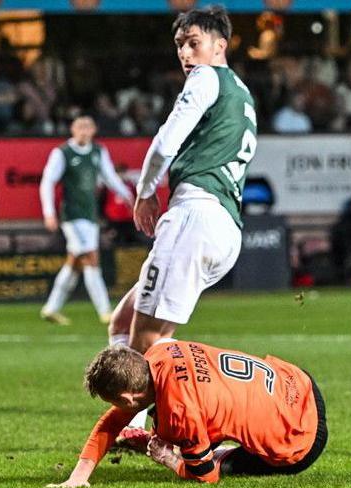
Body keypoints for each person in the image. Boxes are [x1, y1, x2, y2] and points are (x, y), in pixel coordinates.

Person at [105, 6, 257, 431]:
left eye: (194, 43)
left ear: (219, 46)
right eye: (180, 46)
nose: (186, 54)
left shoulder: (207, 78)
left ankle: (167, 432)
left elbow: (165, 139)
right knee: (125, 322)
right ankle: (141, 428)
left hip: (197, 213)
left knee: (147, 339)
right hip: (222, 225)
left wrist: (145, 191)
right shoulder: (242, 94)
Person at [46, 341, 326, 487]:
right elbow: (114, 420)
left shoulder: (179, 414)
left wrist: (169, 460)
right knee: (204, 421)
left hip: (301, 440)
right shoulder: (160, 352)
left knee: (200, 459)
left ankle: (177, 446)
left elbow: (206, 478)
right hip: (298, 383)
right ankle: (173, 441)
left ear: (128, 397)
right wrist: (79, 475)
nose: (117, 410)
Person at [39, 115, 134, 325]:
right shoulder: (62, 153)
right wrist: (49, 212)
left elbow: (109, 177)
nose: (84, 131)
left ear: (94, 130)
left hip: (90, 216)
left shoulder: (99, 151)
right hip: (71, 216)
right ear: (72, 129)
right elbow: (47, 182)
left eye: (87, 127)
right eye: (79, 127)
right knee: (91, 258)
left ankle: (52, 308)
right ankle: (105, 311)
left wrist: (129, 197)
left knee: (74, 262)